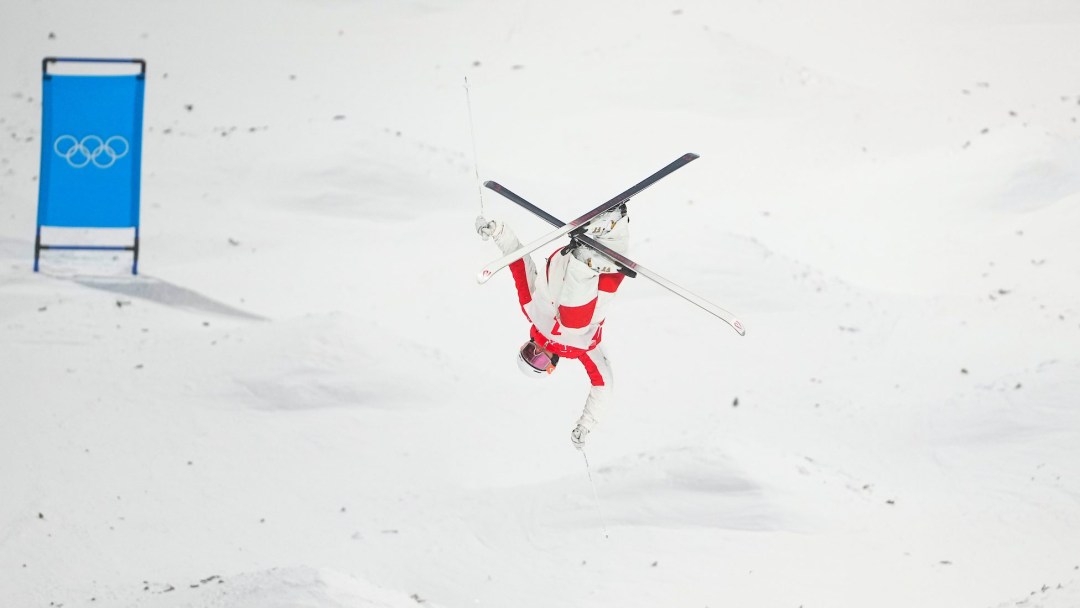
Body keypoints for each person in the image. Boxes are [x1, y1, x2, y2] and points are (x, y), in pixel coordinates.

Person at [475, 205, 630, 450]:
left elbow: (518, 261)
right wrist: (586, 424)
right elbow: (603, 384)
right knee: (583, 320)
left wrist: (497, 232)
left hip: (566, 266)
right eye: (537, 361)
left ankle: (585, 257)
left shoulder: (531, 311)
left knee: (572, 323)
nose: (537, 352)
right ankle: (615, 224)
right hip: (606, 273)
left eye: (528, 352)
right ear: (550, 367)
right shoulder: (581, 350)